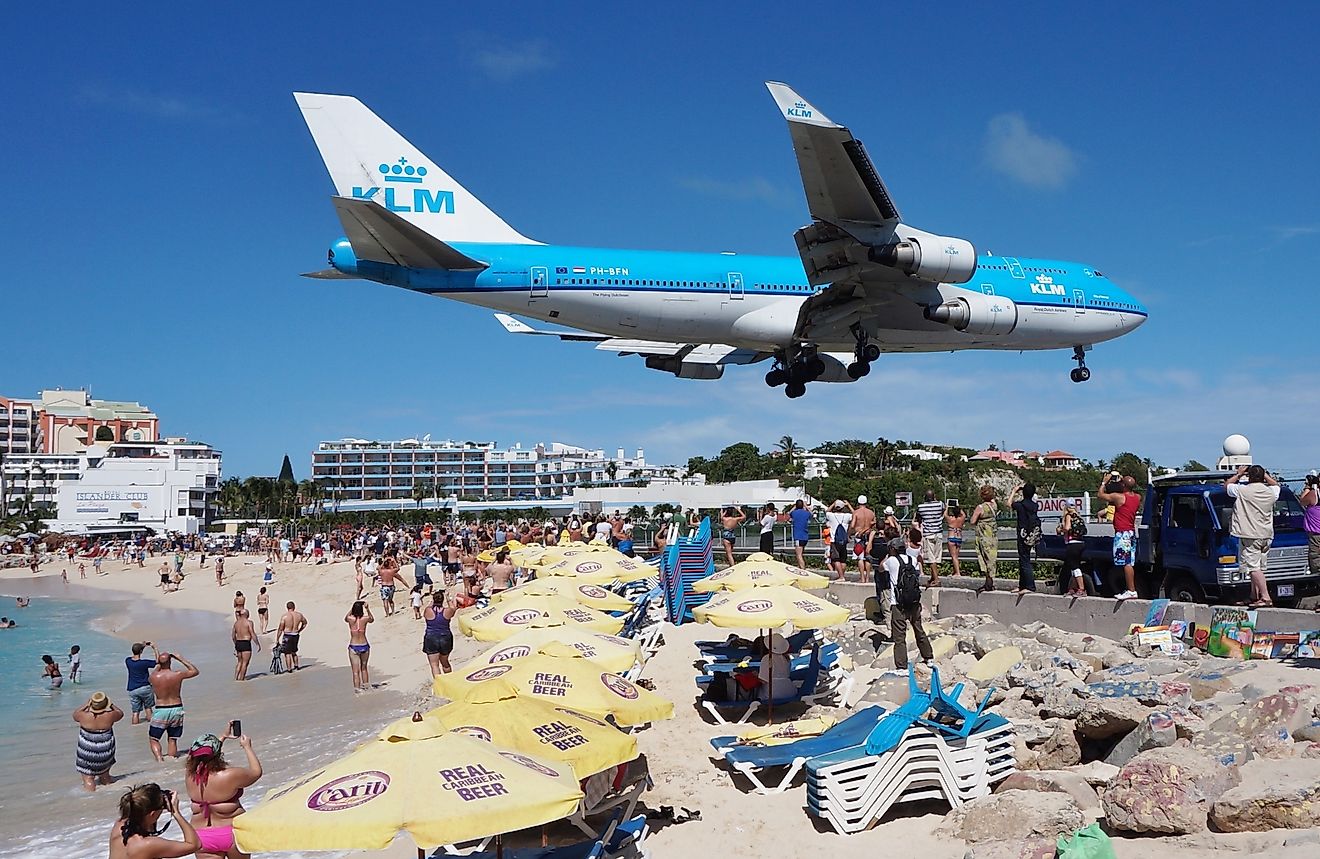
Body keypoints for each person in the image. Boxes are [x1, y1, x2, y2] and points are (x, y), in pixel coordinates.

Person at [185, 731, 262, 859]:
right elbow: (256, 772)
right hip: (232, 834)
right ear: (218, 755)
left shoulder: (189, 776)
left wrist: (223, 736)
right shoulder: (230, 775)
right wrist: (247, 747)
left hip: (201, 838)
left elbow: (202, 755)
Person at [1224, 465, 1281, 607]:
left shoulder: (1242, 490)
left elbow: (1227, 486)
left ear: (1249, 476)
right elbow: (1276, 485)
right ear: (1263, 477)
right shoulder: (1271, 492)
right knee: (1259, 567)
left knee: (1253, 568)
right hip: (1267, 534)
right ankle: (1253, 595)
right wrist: (1266, 475)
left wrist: (1238, 474)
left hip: (1250, 534)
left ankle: (1265, 597)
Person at [109, 782, 201, 859]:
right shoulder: (147, 844)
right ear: (152, 814)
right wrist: (176, 812)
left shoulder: (119, 826)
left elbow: (147, 822)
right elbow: (195, 845)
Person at [882, 538, 933, 670]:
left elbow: (881, 568)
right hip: (914, 601)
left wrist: (888, 555)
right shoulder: (913, 560)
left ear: (893, 549)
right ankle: (928, 657)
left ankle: (901, 666)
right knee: (918, 629)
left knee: (899, 637)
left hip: (898, 603)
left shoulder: (892, 561)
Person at [1097, 473, 1142, 601]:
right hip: (1131, 533)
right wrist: (1123, 480)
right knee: (1130, 562)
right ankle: (1131, 589)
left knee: (1126, 563)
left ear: (1123, 485)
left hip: (1122, 533)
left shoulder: (1119, 497)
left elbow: (1100, 495)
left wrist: (1104, 482)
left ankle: (1131, 591)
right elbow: (1129, 487)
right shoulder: (1138, 497)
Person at [147, 651, 199, 761]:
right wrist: (181, 658)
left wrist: (159, 663)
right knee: (172, 738)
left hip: (161, 709)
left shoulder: (154, 677)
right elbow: (195, 671)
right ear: (171, 661)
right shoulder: (178, 674)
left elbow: (153, 674)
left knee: (154, 739)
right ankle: (172, 759)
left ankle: (160, 760)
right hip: (177, 708)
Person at [73, 691, 123, 791]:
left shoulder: (83, 715)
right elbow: (121, 713)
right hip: (105, 751)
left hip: (86, 752)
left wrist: (86, 705)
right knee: (105, 776)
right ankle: (109, 793)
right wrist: (111, 704)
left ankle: (91, 799)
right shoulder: (110, 715)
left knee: (88, 778)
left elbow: (75, 715)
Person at [1007, 483, 1040, 594]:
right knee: (1023, 559)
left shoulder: (1021, 505)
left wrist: (1014, 491)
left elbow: (1008, 503)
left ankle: (1030, 586)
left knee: (1024, 560)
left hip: (1022, 534)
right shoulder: (1035, 505)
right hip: (1031, 535)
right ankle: (1022, 585)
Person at [970, 486, 1001, 592]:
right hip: (992, 535)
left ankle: (988, 582)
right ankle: (990, 582)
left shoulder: (980, 507)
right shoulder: (994, 505)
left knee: (984, 558)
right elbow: (993, 500)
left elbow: (972, 521)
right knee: (991, 559)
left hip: (983, 536)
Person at [422, 591, 457, 677]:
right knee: (445, 663)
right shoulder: (448, 611)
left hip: (431, 637)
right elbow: (453, 608)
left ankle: (439, 685)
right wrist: (448, 598)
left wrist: (432, 601)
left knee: (434, 665)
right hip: (445, 637)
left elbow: (427, 609)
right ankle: (450, 681)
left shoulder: (428, 610)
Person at [916, 490, 946, 586]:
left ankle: (936, 579)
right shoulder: (940, 504)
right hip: (938, 533)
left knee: (931, 558)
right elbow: (944, 510)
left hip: (928, 534)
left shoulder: (921, 507)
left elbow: (918, 518)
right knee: (936, 558)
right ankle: (933, 577)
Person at [125, 642, 157, 725]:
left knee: (135, 712)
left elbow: (135, 653)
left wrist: (142, 646)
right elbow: (158, 661)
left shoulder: (128, 661)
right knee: (148, 708)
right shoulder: (144, 663)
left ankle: (135, 727)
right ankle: (151, 725)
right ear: (141, 652)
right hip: (145, 687)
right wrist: (154, 648)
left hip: (132, 689)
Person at [345, 600, 374, 692]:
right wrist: (367, 609)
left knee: (355, 671)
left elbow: (345, 618)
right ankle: (366, 687)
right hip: (364, 645)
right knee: (364, 668)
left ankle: (357, 689)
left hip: (354, 646)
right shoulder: (364, 619)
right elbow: (371, 619)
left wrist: (352, 608)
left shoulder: (351, 619)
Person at [1059, 503, 1088, 596]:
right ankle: (1072, 588)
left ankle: (1081, 589)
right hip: (1080, 543)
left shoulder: (1068, 516)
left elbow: (1067, 528)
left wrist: (1060, 530)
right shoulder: (1078, 516)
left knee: (1075, 567)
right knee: (1073, 566)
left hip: (1072, 544)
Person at [824, 500, 853, 580]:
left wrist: (833, 503)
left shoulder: (831, 516)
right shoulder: (847, 516)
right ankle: (842, 575)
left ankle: (841, 576)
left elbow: (826, 511)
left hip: (834, 540)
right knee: (843, 559)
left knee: (836, 559)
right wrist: (849, 505)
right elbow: (855, 514)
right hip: (844, 540)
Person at [1303, 472, 1320, 611]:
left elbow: (1302, 501)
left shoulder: (1315, 494)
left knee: (1317, 567)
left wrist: (1308, 486)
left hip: (1316, 536)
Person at [851, 495, 876, 583]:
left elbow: (852, 525)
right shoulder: (871, 513)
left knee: (860, 557)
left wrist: (850, 533)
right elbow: (874, 523)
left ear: (858, 502)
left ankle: (862, 578)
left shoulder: (856, 512)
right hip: (868, 535)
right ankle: (868, 578)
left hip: (859, 536)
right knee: (868, 557)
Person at [276, 601, 307, 672]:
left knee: (287, 653)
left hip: (287, 635)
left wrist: (277, 639)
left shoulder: (285, 616)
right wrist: (299, 630)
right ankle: (296, 666)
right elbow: (305, 623)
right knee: (294, 651)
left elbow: (280, 628)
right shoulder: (299, 615)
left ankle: (289, 669)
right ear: (294, 607)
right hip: (295, 634)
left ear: (287, 607)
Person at [231, 609, 260, 681]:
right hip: (245, 643)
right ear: (246, 614)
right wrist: (257, 644)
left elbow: (233, 636)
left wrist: (235, 644)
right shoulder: (249, 622)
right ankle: (241, 679)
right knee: (245, 663)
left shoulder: (236, 623)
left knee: (239, 662)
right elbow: (252, 633)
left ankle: (235, 678)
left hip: (238, 643)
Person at [789, 499, 813, 569]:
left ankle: (803, 569)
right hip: (805, 536)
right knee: (801, 554)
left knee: (798, 555)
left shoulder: (794, 513)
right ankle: (801, 567)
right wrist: (806, 506)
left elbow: (789, 512)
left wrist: (794, 506)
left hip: (798, 537)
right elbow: (811, 513)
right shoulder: (806, 513)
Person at [945, 504, 966, 578]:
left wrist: (947, 507)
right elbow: (964, 514)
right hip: (959, 537)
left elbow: (945, 514)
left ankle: (957, 573)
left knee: (953, 556)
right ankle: (954, 571)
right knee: (956, 556)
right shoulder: (961, 519)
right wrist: (959, 507)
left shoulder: (950, 519)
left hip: (952, 537)